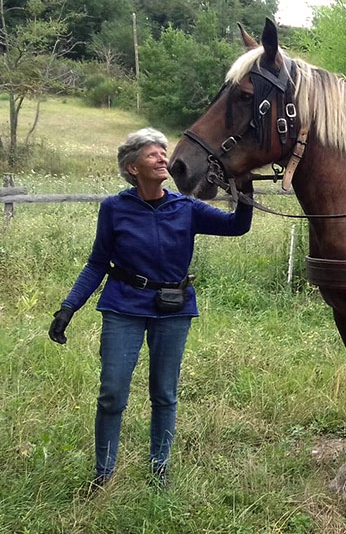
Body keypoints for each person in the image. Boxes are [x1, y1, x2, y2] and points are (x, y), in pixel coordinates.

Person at [48, 128, 252, 488]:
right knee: (112, 392)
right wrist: (68, 307)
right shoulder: (114, 208)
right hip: (123, 307)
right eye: (152, 154)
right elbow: (98, 263)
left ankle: (160, 471)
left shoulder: (185, 207)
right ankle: (104, 473)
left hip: (173, 308)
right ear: (132, 168)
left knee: (164, 393)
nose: (162, 157)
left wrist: (244, 186)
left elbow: (237, 227)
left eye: (163, 151)